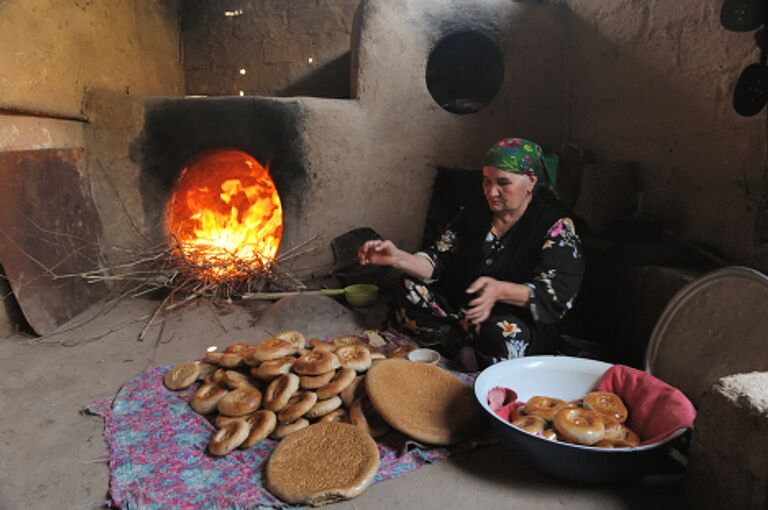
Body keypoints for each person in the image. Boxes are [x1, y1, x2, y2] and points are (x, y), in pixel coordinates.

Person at [358, 137, 585, 370]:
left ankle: (466, 349)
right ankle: (461, 346)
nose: (491, 191)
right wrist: (397, 257)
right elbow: (438, 259)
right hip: (462, 310)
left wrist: (500, 290)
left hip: (513, 318)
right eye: (486, 181)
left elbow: (556, 293)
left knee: (502, 334)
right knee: (410, 287)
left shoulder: (555, 226)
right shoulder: (473, 212)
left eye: (503, 183)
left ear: (531, 182)